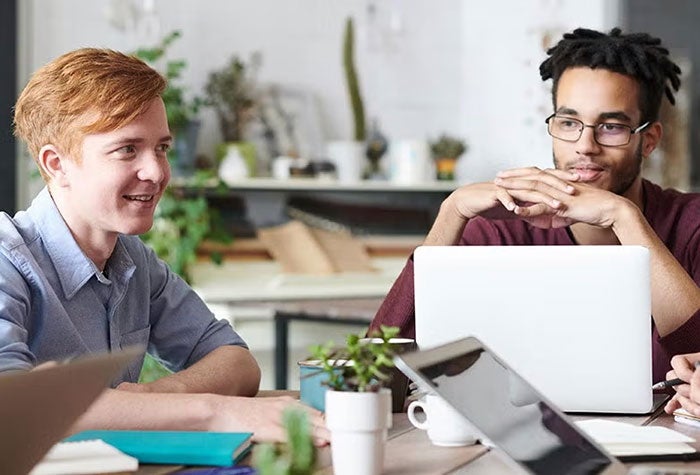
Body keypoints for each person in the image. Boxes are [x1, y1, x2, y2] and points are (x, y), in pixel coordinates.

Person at [1, 48, 328, 444]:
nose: (156, 172)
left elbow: (235, 361)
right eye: (127, 149)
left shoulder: (134, 261)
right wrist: (215, 412)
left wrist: (152, 398)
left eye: (162, 147)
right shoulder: (7, 261)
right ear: (57, 164)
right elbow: (15, 405)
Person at [369, 27, 700, 383]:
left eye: (611, 127)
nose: (585, 145)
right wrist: (452, 212)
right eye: (569, 122)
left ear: (648, 140)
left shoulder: (691, 223)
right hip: (519, 435)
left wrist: (623, 216)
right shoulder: (499, 228)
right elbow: (379, 370)